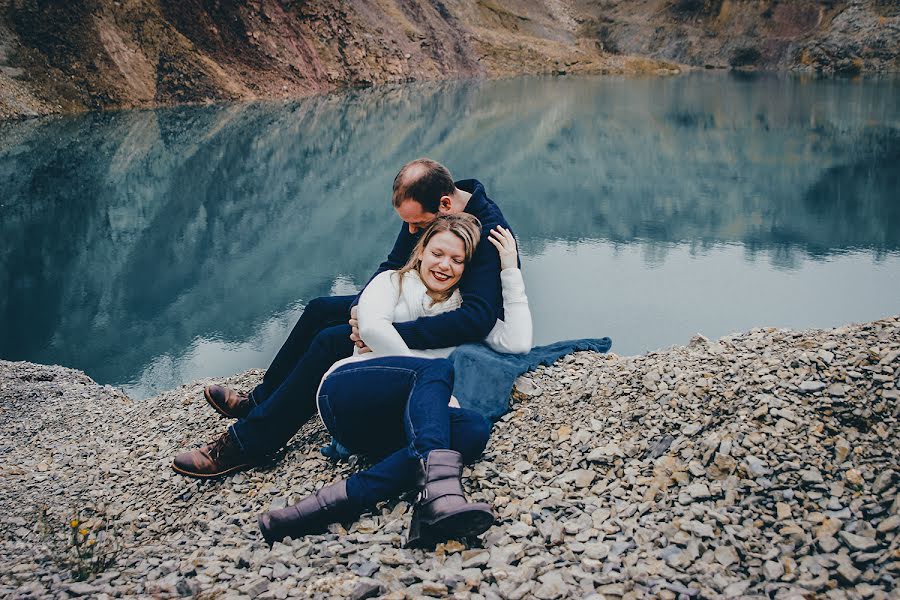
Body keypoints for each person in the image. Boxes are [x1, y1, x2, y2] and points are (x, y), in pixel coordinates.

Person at [173, 159, 515, 478]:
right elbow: (392, 265)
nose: (410, 231)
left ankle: (251, 443)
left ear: (444, 205)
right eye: (406, 222)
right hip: (417, 300)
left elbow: (477, 318)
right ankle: (260, 402)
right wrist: (364, 309)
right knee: (321, 309)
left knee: (333, 340)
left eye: (416, 224)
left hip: (453, 328)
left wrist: (389, 331)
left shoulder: (488, 231)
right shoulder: (425, 211)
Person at [257, 214, 531, 547]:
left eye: (457, 260)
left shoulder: (464, 311)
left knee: (474, 429)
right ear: (421, 252)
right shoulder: (391, 282)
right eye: (438, 254)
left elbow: (517, 342)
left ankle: (332, 504)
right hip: (348, 394)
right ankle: (442, 495)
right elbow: (372, 328)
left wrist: (509, 269)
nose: (445, 265)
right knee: (436, 373)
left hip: (394, 430)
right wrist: (441, 395)